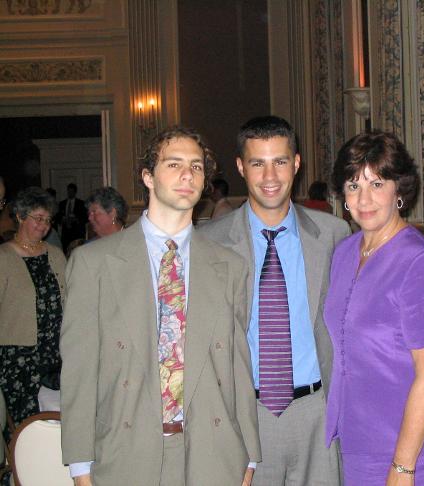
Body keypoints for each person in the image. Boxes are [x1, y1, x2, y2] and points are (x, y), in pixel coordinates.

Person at [60, 126, 260, 486]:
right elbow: (79, 372)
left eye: (196, 167)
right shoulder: (94, 264)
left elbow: (237, 367)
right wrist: (80, 466)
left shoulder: (230, 267)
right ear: (148, 177)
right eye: (174, 164)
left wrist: (249, 457)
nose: (187, 174)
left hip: (213, 454)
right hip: (126, 453)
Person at [201, 116, 348, 485]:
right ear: (240, 167)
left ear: (296, 164)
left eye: (280, 161)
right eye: (257, 163)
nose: (270, 176)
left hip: (317, 414)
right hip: (246, 415)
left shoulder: (334, 235)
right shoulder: (209, 242)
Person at [325, 131, 424, 485]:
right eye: (353, 185)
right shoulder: (344, 252)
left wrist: (403, 465)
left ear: (399, 191)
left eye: (377, 184)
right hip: (350, 438)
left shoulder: (420, 260)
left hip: (401, 445)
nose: (364, 198)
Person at [0, 187, 66, 428]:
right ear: (20, 216)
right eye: (38, 218)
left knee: (56, 419)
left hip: (55, 351)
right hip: (18, 356)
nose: (44, 225)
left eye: (48, 220)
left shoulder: (56, 254)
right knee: (25, 423)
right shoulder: (3, 257)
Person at [57, 182, 87, 252]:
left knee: (77, 250)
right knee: (66, 250)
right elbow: (58, 217)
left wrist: (76, 219)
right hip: (65, 233)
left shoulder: (81, 203)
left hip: (77, 232)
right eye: (68, 191)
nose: (70, 193)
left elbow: (84, 217)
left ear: (75, 192)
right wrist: (62, 219)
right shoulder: (62, 203)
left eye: (71, 191)